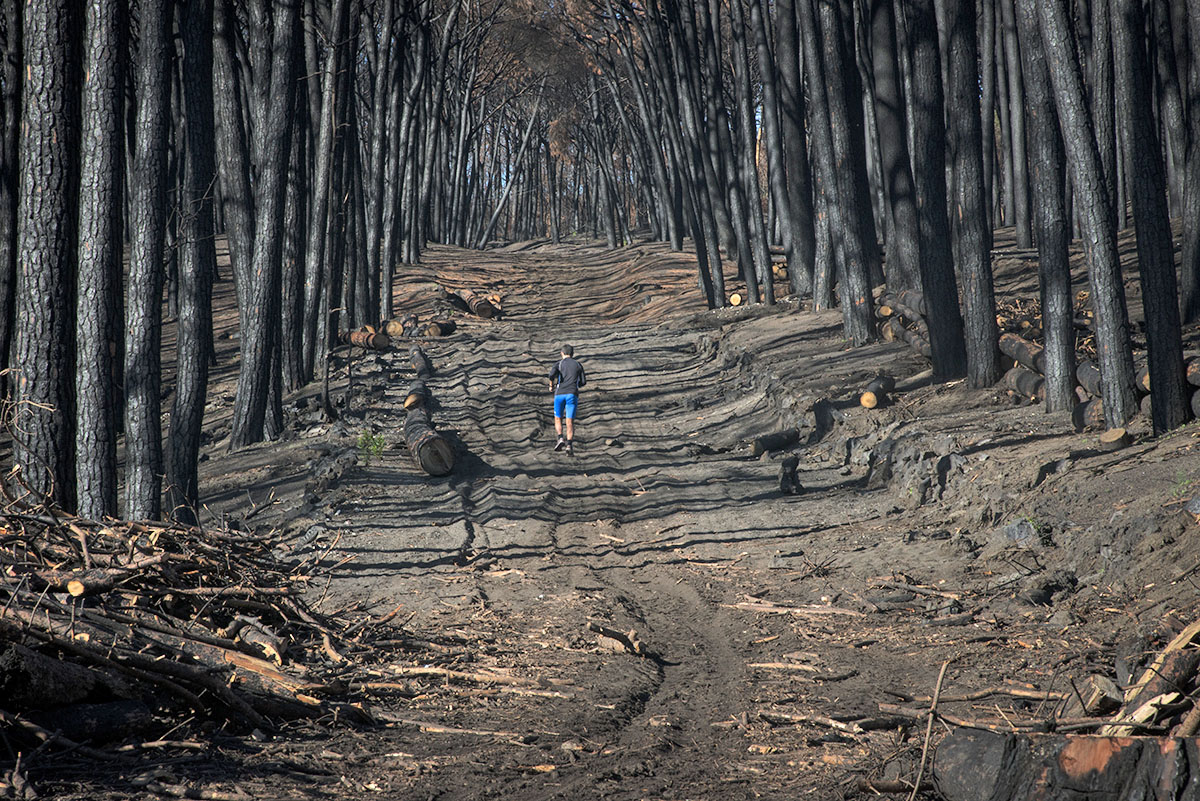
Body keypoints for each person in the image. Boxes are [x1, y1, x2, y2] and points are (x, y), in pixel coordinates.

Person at [548, 345, 585, 454]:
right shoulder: (578, 365)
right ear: (572, 354)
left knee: (558, 418)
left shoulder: (559, 364)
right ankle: (569, 445)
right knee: (570, 421)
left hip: (559, 394)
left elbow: (551, 375)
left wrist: (551, 385)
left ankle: (560, 438)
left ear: (561, 353)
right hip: (572, 394)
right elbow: (583, 382)